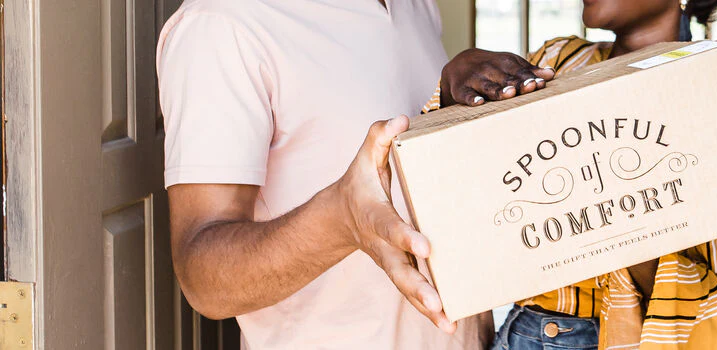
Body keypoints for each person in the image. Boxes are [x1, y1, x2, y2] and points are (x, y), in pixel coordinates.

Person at [154, 0, 545, 348]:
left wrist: (448, 113)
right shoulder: (221, 23)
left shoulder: (415, 6)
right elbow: (203, 279)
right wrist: (342, 220)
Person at [425, 0, 717, 349]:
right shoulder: (556, 61)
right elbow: (466, 203)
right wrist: (450, 95)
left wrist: (613, 217)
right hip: (521, 333)